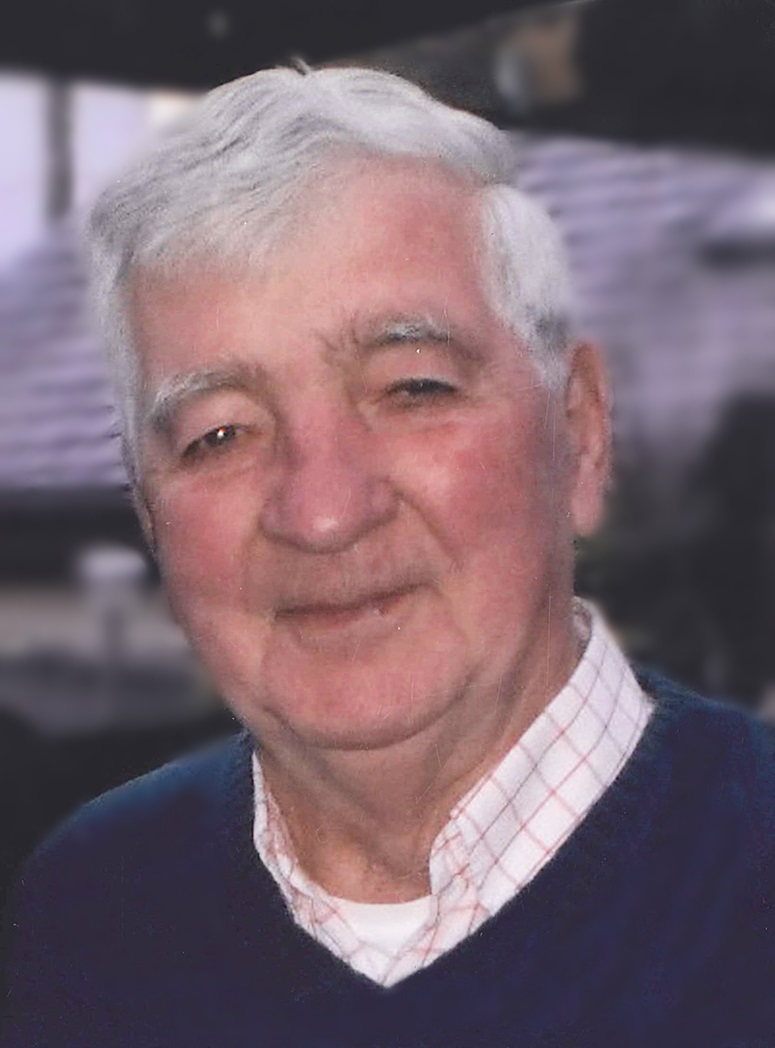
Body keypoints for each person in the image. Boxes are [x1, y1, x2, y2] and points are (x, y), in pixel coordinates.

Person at [2, 66, 772, 1048]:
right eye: (219, 435)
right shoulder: (92, 910)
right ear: (149, 513)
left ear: (576, 432)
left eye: (411, 389)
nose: (322, 512)